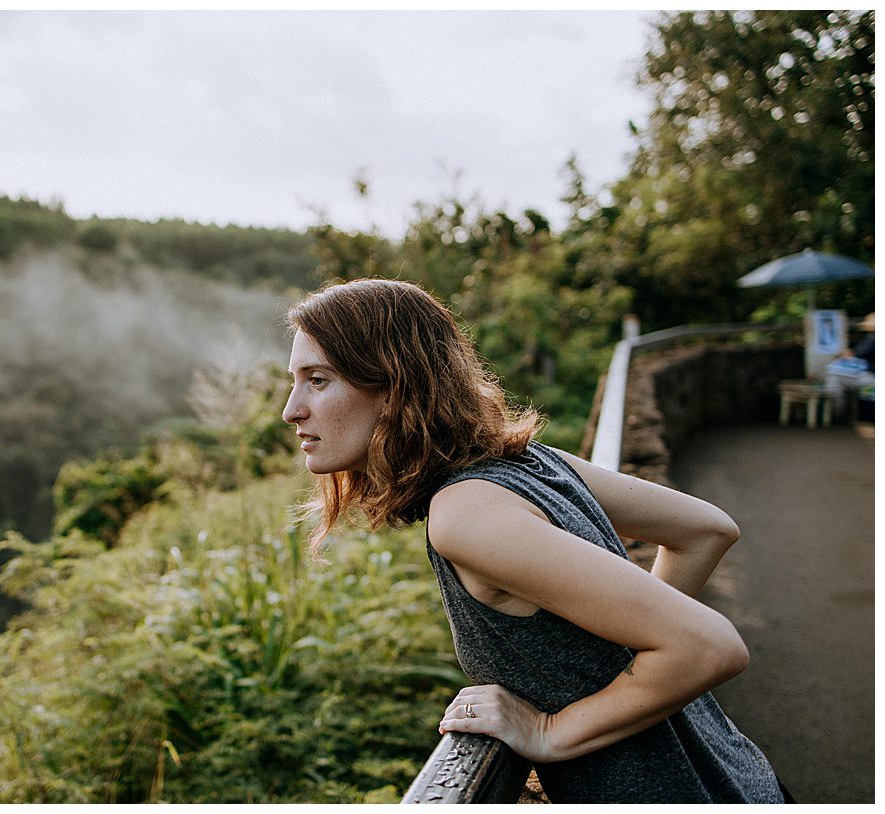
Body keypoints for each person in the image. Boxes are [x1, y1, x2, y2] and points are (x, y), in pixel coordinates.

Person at [280, 278, 786, 803]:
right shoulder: (527, 460)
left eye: (318, 379)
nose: (291, 410)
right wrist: (637, 640)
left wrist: (553, 731)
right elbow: (705, 530)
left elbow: (709, 647)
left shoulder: (466, 515)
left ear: (398, 383)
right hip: (744, 778)